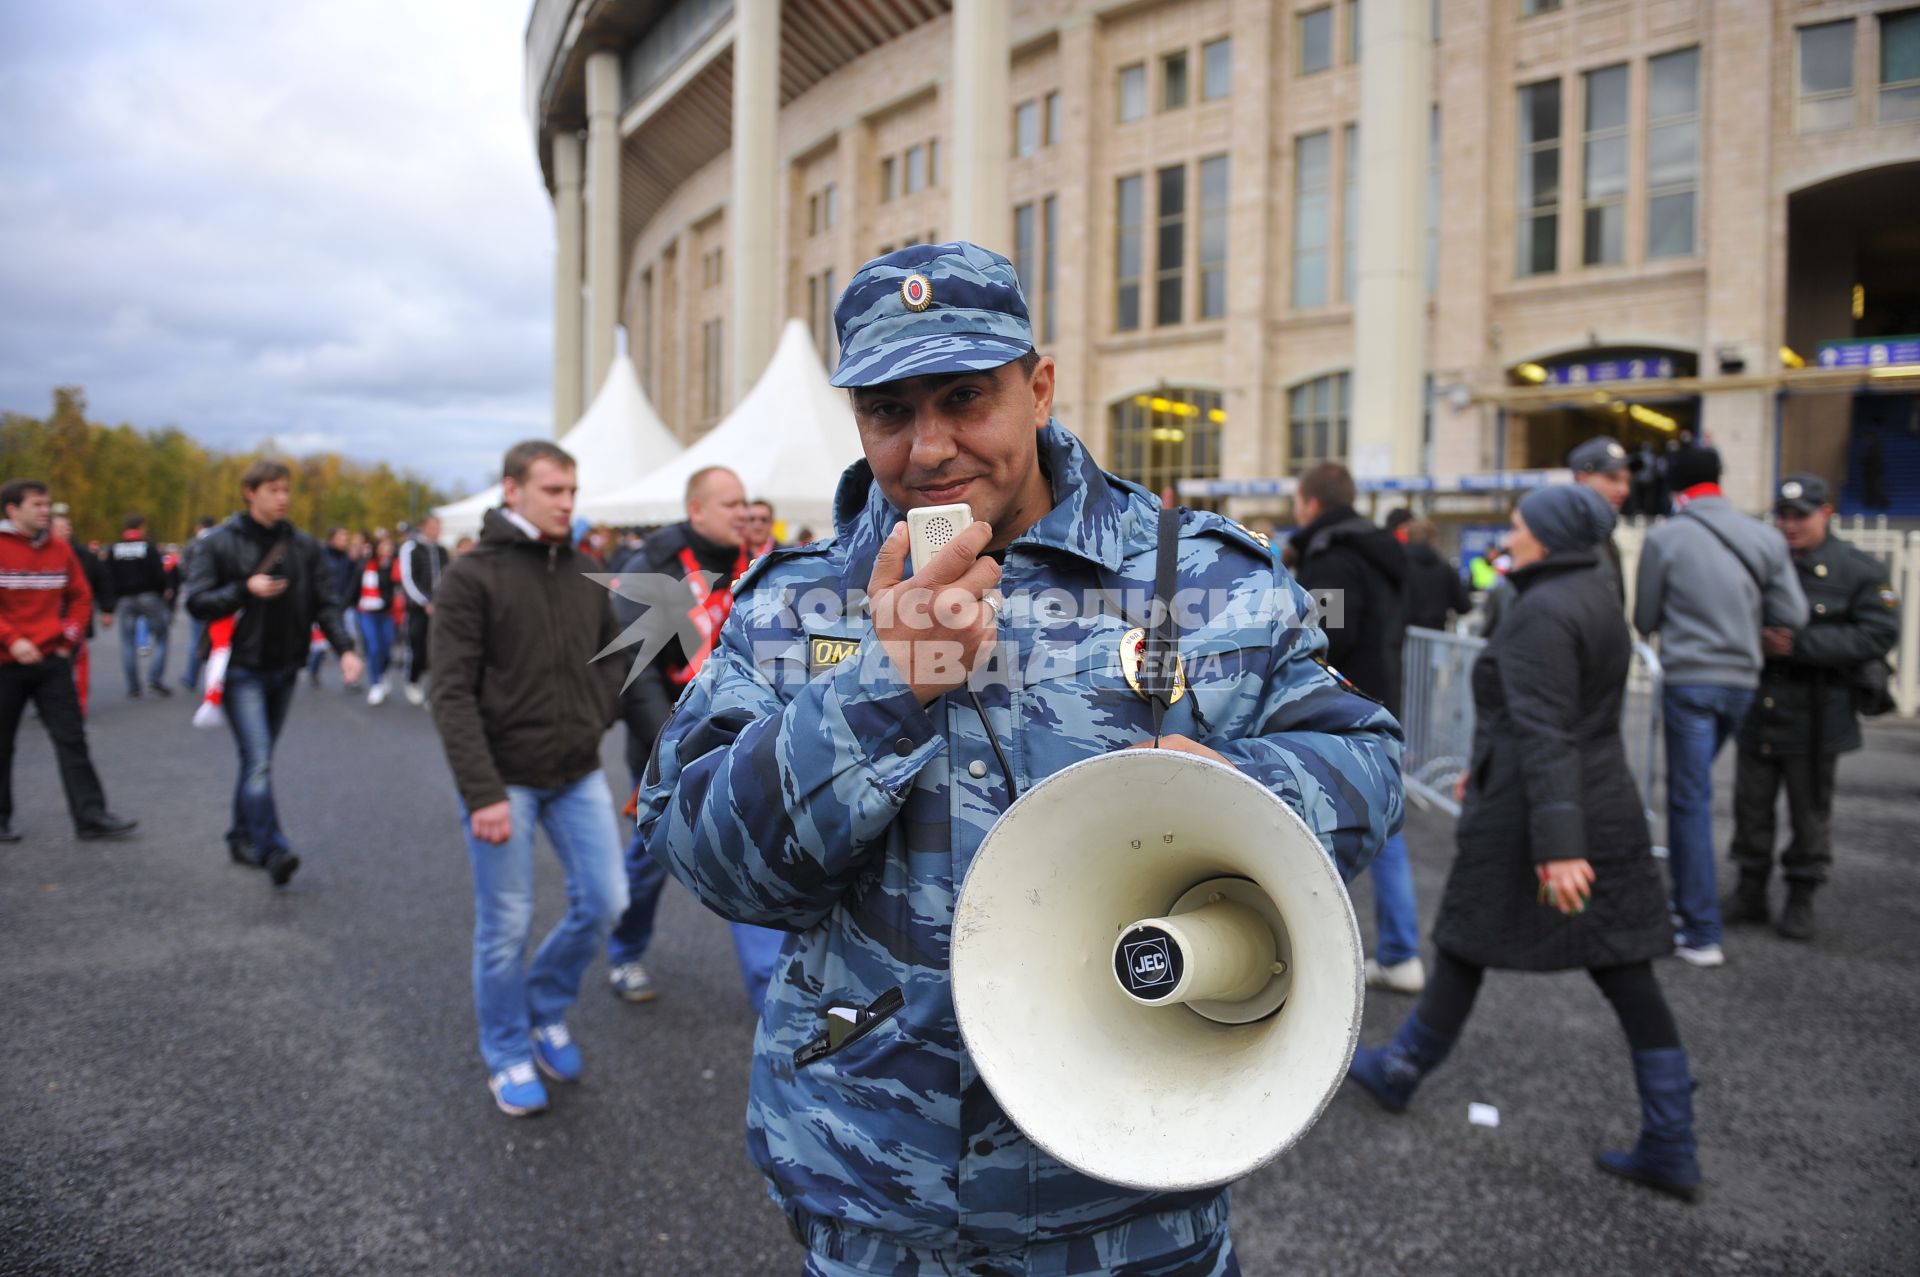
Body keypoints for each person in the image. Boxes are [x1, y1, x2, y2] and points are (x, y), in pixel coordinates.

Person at [637, 242, 1402, 1275]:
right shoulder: (791, 604)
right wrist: (881, 690)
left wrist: (1237, 797)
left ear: (1037, 388)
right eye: (889, 411)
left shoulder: (1196, 575)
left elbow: (1364, 752)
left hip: (1132, 1192)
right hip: (880, 1198)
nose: (928, 446)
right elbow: (704, 852)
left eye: (965, 397)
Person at [1349, 483, 1702, 1201]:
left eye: (1517, 526)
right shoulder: (1595, 593)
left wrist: (1560, 846)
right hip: (1590, 800)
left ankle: (1402, 1068)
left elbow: (1545, 731)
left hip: (1538, 815)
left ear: (1552, 535)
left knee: (1473, 939)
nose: (1507, 537)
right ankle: (1671, 1136)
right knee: (1612, 962)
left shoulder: (1543, 611)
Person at [428, 439, 628, 1118]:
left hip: (575, 771)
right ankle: (508, 1049)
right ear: (512, 490)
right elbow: (449, 691)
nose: (567, 504)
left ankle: (544, 1004)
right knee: (504, 923)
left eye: (572, 491)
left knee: (606, 900)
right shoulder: (470, 576)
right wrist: (481, 791)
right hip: (502, 778)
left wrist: (596, 715)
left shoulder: (584, 568)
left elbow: (611, 657)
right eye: (553, 491)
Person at [604, 465, 782, 1008]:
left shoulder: (758, 567)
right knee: (651, 859)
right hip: (666, 748)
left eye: (746, 503)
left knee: (750, 854)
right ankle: (625, 949)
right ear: (697, 510)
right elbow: (637, 681)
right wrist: (673, 752)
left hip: (746, 745)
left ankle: (771, 994)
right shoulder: (652, 570)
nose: (743, 514)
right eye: (730, 505)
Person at [1633, 446, 1806, 967]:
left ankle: (1700, 928)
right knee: (1696, 791)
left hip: (1690, 680)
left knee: (1690, 800)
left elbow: (1644, 618)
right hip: (1744, 682)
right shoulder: (1763, 536)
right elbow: (1792, 611)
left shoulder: (1665, 537)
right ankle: (1691, 906)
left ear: (1676, 487)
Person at [1728, 474, 1899, 941]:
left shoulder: (1857, 569)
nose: (1789, 525)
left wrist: (1802, 644)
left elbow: (1880, 632)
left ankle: (1801, 894)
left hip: (1819, 711)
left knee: (1809, 812)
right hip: (1760, 707)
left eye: (1799, 516)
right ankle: (1750, 890)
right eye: (1782, 515)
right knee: (1751, 807)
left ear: (1826, 513)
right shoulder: (1763, 561)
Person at [185, 461, 363, 885]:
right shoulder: (220, 543)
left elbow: (326, 601)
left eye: (286, 490)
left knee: (255, 759)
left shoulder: (302, 545)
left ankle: (240, 835)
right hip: (240, 666)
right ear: (250, 492)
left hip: (285, 665)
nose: (282, 497)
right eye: (272, 490)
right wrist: (245, 589)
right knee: (260, 760)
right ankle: (272, 848)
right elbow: (197, 601)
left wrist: (346, 650)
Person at [1290, 463, 1422, 993]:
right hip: (1382, 695)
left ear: (1312, 504)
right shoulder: (1383, 552)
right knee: (1386, 829)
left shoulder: (1333, 557)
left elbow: (1316, 642)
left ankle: (1310, 965)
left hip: (1337, 710)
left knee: (1312, 832)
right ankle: (1400, 949)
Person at [1, 480, 139, 844]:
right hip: (5, 662)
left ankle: (90, 816)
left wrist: (69, 639)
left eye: (47, 505)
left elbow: (81, 596)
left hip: (52, 659)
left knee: (72, 739)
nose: (46, 512)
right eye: (37, 505)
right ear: (12, 510)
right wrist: (12, 641)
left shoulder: (60, 550)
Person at [50, 507, 112, 716]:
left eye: (68, 526)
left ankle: (78, 703)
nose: (66, 530)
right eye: (60, 527)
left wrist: (107, 609)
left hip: (73, 619)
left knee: (76, 659)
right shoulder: (37, 553)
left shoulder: (83, 555)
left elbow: (101, 581)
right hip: (44, 620)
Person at [106, 513, 174, 698]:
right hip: (149, 596)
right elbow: (159, 574)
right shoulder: (148, 547)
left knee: (128, 642)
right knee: (161, 637)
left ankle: (133, 686)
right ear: (141, 527)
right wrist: (163, 591)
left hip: (125, 599)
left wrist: (110, 603)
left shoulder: (115, 548)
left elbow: (109, 576)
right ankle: (155, 677)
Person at [1568, 435, 1633, 602]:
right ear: (1582, 479)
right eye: (1612, 478)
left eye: (1627, 480)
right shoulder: (1567, 537)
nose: (1624, 490)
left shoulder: (1602, 533)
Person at [399, 515, 449, 706]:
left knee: (437, 649)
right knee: (417, 646)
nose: (436, 530)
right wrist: (424, 601)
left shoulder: (442, 550)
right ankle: (412, 681)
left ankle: (433, 691)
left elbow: (447, 576)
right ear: (423, 527)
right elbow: (408, 579)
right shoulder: (411, 548)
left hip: (440, 608)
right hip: (418, 609)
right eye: (433, 527)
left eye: (439, 527)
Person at [308, 527, 358, 687]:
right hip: (325, 607)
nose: (344, 540)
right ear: (332, 539)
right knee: (320, 646)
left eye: (346, 537)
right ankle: (313, 669)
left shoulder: (347, 559)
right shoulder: (322, 557)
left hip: (343, 605)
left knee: (345, 642)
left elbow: (353, 581)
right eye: (341, 537)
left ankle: (350, 677)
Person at [1402, 519, 1471, 632]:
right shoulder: (1445, 570)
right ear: (1433, 540)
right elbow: (1464, 606)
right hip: (1435, 637)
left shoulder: (1397, 568)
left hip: (1402, 638)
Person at [354, 535, 400, 705]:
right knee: (373, 647)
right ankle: (375, 683)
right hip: (367, 612)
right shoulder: (364, 565)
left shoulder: (393, 565)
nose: (387, 548)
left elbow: (397, 587)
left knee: (386, 648)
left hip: (386, 613)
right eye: (383, 545)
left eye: (389, 545)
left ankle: (382, 673)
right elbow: (353, 587)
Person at [179, 516, 217, 690]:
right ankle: (215, 680)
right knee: (219, 640)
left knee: (197, 639)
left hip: (198, 595)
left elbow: (184, 569)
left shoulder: (193, 544)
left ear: (198, 526)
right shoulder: (221, 542)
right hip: (219, 596)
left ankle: (192, 677)